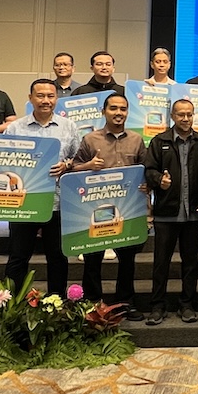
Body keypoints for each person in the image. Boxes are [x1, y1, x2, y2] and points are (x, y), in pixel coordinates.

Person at [70, 93, 148, 320]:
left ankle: (125, 302)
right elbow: (73, 169)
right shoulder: (90, 139)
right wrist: (88, 165)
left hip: (127, 211)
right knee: (92, 260)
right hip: (95, 210)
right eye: (113, 108)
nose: (118, 113)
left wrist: (146, 184)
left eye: (123, 109)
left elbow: (145, 169)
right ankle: (93, 302)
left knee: (127, 260)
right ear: (103, 111)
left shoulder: (136, 139)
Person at [3, 79, 81, 297]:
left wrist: (66, 165)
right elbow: (2, 161)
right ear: (30, 98)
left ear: (56, 99)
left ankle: (56, 302)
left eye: (50, 96)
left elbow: (78, 159)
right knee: (18, 256)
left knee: (57, 256)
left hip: (57, 202)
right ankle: (13, 302)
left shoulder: (69, 127)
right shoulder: (15, 128)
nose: (46, 100)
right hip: (23, 203)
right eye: (40, 96)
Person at [142, 98, 198, 325]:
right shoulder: (159, 141)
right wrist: (158, 180)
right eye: (181, 114)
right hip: (166, 213)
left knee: (191, 263)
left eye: (189, 114)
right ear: (172, 116)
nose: (185, 118)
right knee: (161, 263)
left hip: (193, 214)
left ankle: (187, 305)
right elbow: (149, 170)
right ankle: (157, 306)